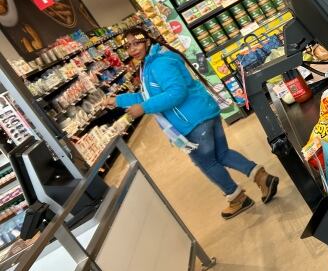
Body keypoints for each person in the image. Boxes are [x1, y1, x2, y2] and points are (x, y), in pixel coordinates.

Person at [107, 28, 280, 218]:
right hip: (204, 113)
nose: (133, 49)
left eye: (137, 43)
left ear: (147, 41)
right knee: (222, 153)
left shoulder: (159, 64)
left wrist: (143, 108)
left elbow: (176, 93)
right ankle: (262, 177)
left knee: (206, 162)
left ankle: (237, 198)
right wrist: (118, 100)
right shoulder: (150, 64)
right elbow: (149, 95)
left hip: (193, 121)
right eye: (128, 46)